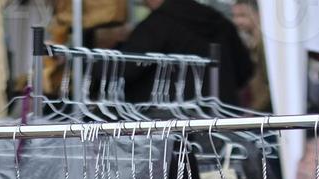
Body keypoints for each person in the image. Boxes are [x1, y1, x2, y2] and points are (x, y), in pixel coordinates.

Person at [101, 0, 255, 105]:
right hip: (222, 120)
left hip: (172, 125)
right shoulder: (222, 23)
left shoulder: (157, 25)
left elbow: (124, 70)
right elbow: (245, 71)